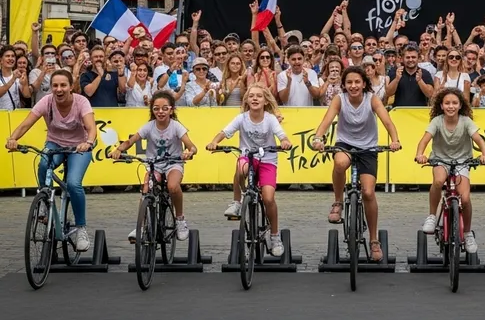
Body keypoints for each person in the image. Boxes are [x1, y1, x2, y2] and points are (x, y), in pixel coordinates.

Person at [310, 66, 401, 262]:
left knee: (368, 193)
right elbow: (326, 121)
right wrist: (318, 138)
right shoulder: (339, 99)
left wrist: (395, 140)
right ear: (344, 85)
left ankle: (374, 240)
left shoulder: (372, 99)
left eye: (357, 82)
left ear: (364, 83)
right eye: (349, 82)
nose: (353, 86)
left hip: (368, 148)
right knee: (340, 163)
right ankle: (338, 202)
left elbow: (387, 122)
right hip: (345, 144)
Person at [6, 70, 96, 252]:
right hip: (55, 143)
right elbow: (26, 124)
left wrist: (88, 143)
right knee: (43, 163)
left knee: (73, 183)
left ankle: (81, 229)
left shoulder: (81, 102)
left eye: (63, 85)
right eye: (55, 85)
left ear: (71, 87)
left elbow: (91, 128)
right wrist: (12, 138)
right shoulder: (46, 101)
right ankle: (45, 201)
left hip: (79, 146)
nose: (59, 89)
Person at [207, 84, 292, 255]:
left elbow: (282, 135)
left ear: (265, 101)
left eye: (259, 96)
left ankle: (275, 235)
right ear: (246, 100)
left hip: (267, 159)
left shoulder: (270, 119)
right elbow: (224, 132)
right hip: (248, 156)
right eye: (251, 96)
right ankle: (237, 202)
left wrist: (284, 141)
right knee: (241, 167)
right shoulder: (241, 118)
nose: (255, 98)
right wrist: (214, 141)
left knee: (268, 198)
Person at [112, 90, 197, 242]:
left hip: (173, 163)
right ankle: (142, 226)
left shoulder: (176, 127)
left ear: (171, 110)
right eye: (156, 108)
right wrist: (118, 150)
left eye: (165, 108)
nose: (160, 112)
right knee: (146, 188)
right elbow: (130, 141)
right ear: (152, 110)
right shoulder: (149, 127)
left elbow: (192, 146)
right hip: (154, 165)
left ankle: (180, 219)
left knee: (173, 186)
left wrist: (189, 152)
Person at [414, 88, 485, 255]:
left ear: (460, 105)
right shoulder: (437, 121)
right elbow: (424, 140)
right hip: (440, 159)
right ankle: (432, 216)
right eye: (447, 103)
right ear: (441, 105)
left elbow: (478, 139)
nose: (451, 106)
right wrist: (420, 154)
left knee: (465, 198)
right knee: (438, 181)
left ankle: (467, 233)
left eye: (454, 103)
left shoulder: (466, 121)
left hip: (462, 161)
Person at [0, 44, 31, 109]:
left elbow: (27, 95)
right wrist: (13, 79)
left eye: (13, 56)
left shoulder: (18, 75)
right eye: (7, 56)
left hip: (15, 113)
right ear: (1, 60)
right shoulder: (15, 77)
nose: (10, 58)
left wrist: (25, 84)